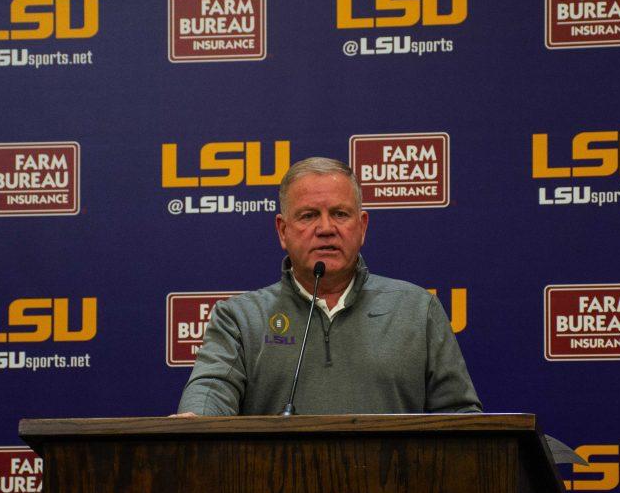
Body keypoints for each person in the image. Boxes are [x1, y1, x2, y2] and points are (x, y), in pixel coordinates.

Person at [175, 156, 481, 416]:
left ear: (362, 227)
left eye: (339, 214)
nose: (326, 229)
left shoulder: (417, 309)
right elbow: (209, 395)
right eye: (309, 216)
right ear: (283, 231)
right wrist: (196, 420)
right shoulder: (240, 318)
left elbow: (462, 421)